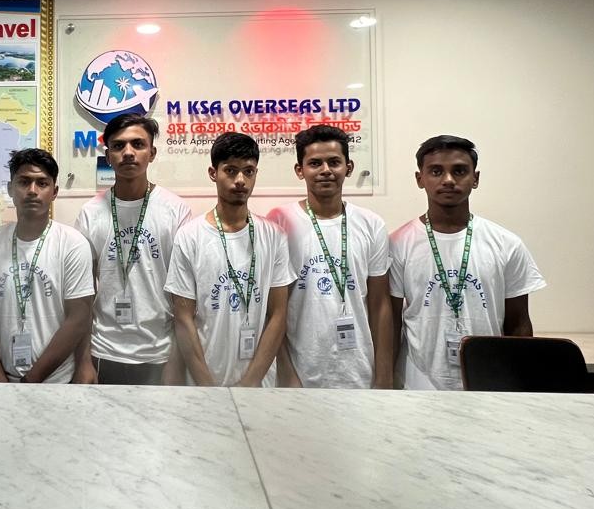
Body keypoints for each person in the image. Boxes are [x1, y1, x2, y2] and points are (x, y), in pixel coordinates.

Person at [390, 134, 546, 390]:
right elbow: (391, 322)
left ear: (475, 178)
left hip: (490, 380)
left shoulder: (507, 244)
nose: (448, 180)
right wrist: (386, 381)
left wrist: (518, 385)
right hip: (417, 383)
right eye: (436, 171)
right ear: (420, 179)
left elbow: (519, 323)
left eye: (459, 171)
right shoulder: (397, 244)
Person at [165, 132, 293, 387]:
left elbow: (278, 315)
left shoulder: (274, 236)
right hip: (204, 381)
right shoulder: (189, 236)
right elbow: (183, 318)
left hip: (258, 384)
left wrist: (250, 383)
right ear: (213, 173)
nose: (240, 180)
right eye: (231, 171)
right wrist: (207, 386)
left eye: (248, 171)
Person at [268, 124, 392, 388]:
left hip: (359, 373)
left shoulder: (371, 224)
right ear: (300, 170)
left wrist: (384, 376)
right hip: (300, 373)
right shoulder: (279, 221)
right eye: (315, 163)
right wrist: (287, 373)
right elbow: (272, 310)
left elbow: (380, 305)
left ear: (349, 167)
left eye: (334, 162)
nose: (325, 170)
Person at [74, 114, 192, 385]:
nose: (128, 152)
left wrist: (177, 360)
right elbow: (81, 295)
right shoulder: (90, 213)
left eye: (138, 144)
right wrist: (83, 361)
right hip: (104, 349)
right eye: (118, 146)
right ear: (108, 155)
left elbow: (185, 296)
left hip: (160, 351)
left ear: (152, 153)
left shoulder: (176, 211)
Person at [0, 149, 94, 383]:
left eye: (42, 183)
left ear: (54, 192)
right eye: (24, 182)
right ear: (10, 189)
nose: (32, 190)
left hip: (56, 382)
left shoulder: (73, 244)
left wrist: (30, 382)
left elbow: (78, 318)